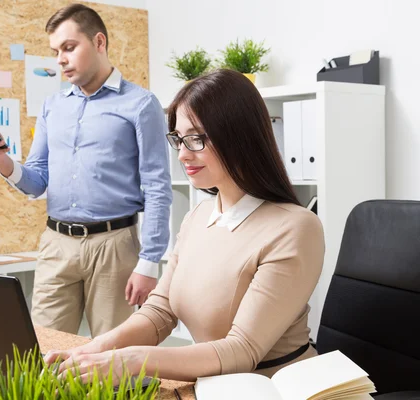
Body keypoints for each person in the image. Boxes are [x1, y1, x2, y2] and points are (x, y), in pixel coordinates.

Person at [44, 69, 325, 382]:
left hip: (273, 388)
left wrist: (130, 360)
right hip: (212, 385)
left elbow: (241, 351)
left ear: (238, 136)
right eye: (179, 138)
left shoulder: (296, 227)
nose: (182, 154)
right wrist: (93, 350)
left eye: (196, 139)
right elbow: (160, 312)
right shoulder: (198, 217)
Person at [0, 4, 171, 337]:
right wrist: (2, 163)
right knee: (41, 350)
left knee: (114, 362)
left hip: (115, 247)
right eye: (56, 51)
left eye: (69, 47)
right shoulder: (53, 106)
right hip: (56, 244)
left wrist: (150, 262)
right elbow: (37, 182)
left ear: (99, 42)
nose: (60, 60)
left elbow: (157, 187)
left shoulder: (140, 104)